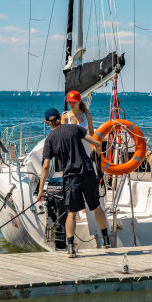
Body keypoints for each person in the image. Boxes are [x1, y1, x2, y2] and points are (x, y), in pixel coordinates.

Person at [37, 108, 109, 257]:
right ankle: (106, 240)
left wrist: (40, 190)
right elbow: (96, 142)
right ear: (60, 117)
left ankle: (70, 247)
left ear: (47, 122)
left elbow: (45, 166)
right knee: (96, 207)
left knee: (71, 212)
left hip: (71, 177)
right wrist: (97, 154)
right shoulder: (74, 128)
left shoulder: (50, 139)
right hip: (88, 172)